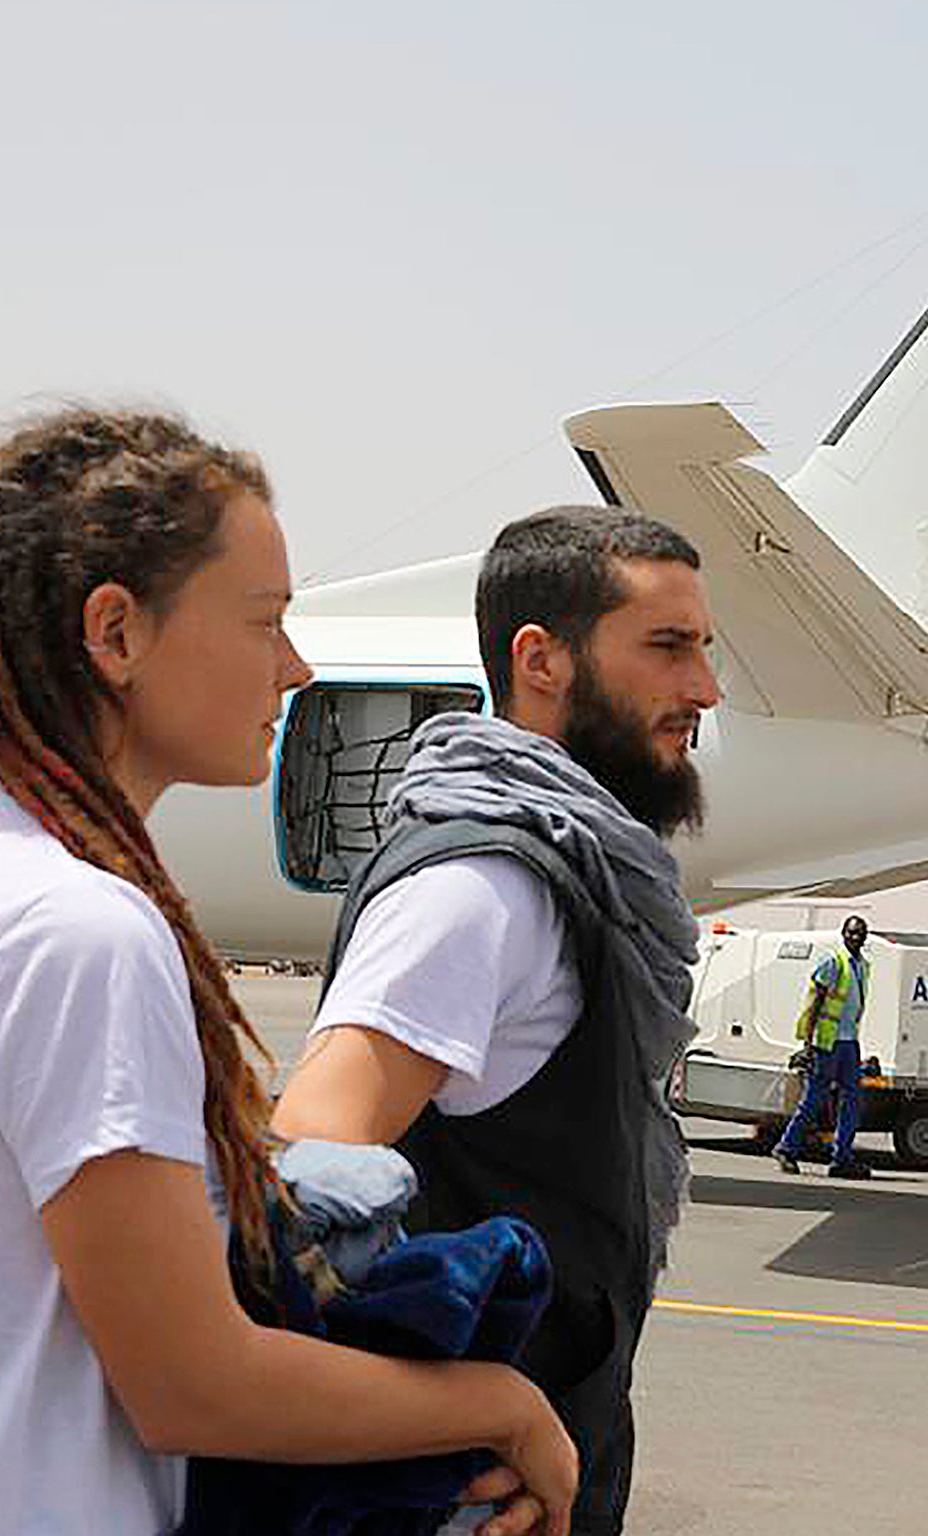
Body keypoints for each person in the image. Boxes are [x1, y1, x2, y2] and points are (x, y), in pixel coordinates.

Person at [0, 409, 575, 1536]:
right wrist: (500, 1404)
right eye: (265, 621)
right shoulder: (78, 934)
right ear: (116, 633)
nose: (296, 668)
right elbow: (189, 1384)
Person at [273, 505, 721, 1534]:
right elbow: (307, 1171)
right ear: (542, 661)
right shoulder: (480, 889)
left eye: (701, 648)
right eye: (665, 647)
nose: (703, 687)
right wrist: (456, 1427)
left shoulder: (574, 873)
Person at [772, 915, 873, 1179]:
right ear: (843, 934)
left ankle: (842, 1158)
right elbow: (813, 1004)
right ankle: (786, 1148)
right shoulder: (833, 962)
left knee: (853, 1100)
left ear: (865, 937)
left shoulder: (863, 966)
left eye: (860, 933)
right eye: (851, 932)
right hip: (826, 1044)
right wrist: (807, 1044)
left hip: (849, 1042)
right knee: (814, 1099)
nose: (855, 937)